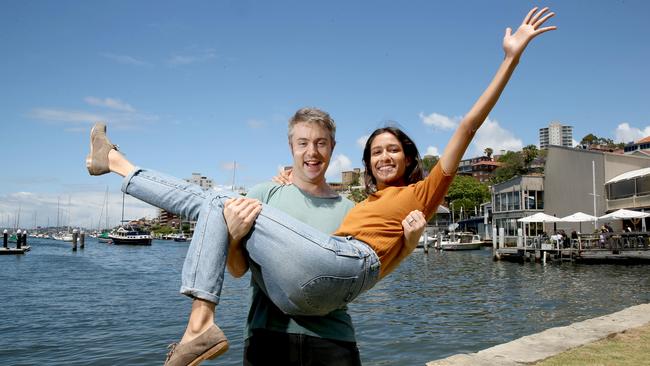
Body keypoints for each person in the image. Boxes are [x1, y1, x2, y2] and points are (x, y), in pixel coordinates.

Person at [85, 7, 555, 365]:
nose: (384, 156)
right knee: (217, 202)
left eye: (393, 150)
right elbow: (243, 267)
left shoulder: (421, 193)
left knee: (219, 196)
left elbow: (468, 126)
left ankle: (123, 174)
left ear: (409, 157)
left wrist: (511, 59)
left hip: (336, 303)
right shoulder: (358, 201)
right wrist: (241, 225)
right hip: (291, 301)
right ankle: (119, 166)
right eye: (376, 152)